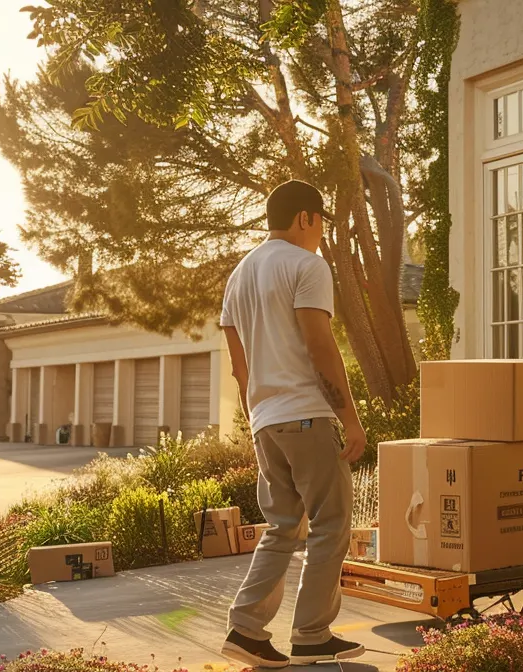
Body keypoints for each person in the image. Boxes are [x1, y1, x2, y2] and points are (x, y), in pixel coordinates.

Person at [218, 179, 368, 668]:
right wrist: (350, 417)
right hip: (306, 413)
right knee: (331, 524)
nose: (322, 233)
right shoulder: (307, 265)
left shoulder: (239, 275)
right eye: (321, 222)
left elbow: (240, 368)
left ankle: (246, 630)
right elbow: (319, 346)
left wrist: (256, 421)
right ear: (306, 217)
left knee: (282, 528)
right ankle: (311, 634)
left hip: (266, 420)